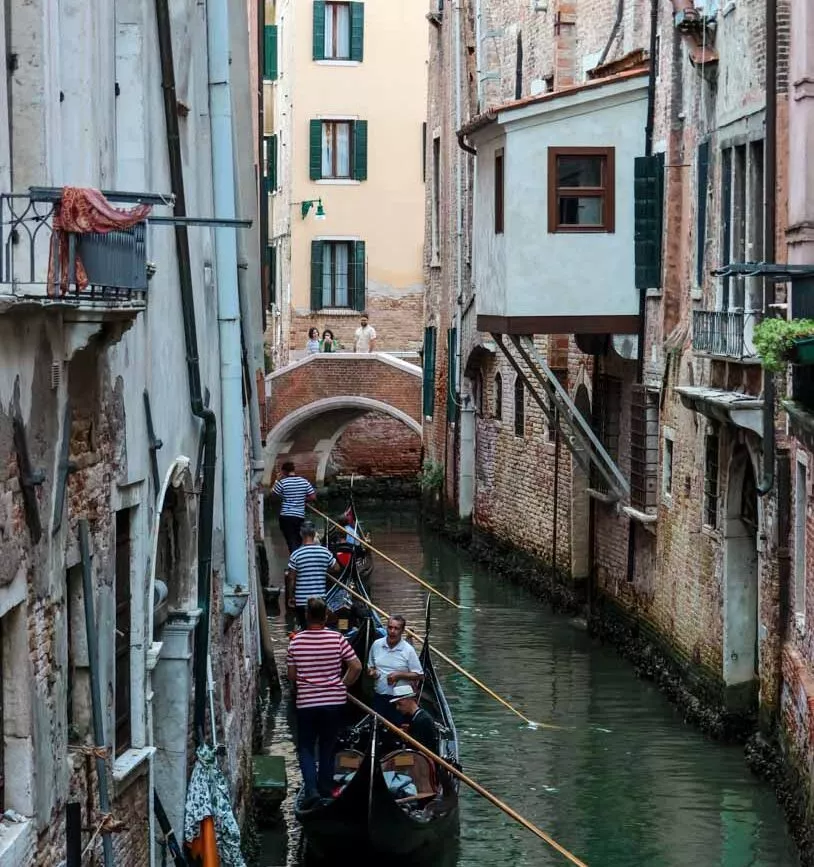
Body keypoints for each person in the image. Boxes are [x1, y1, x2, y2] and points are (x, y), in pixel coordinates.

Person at [287, 597, 362, 803]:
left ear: (307, 615)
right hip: (333, 701)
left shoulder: (296, 641)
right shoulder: (338, 639)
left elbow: (292, 676)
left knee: (306, 747)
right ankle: (326, 787)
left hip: (307, 703)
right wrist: (341, 684)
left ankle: (311, 791)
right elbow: (356, 666)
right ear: (326, 616)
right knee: (328, 745)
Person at [367, 616, 423, 724]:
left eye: (396, 628)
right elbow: (371, 666)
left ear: (402, 631)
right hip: (380, 696)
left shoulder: (408, 650)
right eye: (390, 627)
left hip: (401, 701)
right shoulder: (376, 645)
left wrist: (399, 675)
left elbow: (419, 675)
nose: (392, 631)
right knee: (376, 727)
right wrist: (372, 672)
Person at [286, 521, 342, 628]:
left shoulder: (296, 554)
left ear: (301, 534)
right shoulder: (325, 552)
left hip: (302, 601)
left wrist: (291, 597)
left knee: (304, 628)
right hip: (319, 600)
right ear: (314, 534)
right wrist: (322, 569)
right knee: (320, 627)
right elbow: (337, 568)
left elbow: (291, 578)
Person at [271, 462, 316, 554]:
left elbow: (273, 496)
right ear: (293, 470)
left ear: (284, 471)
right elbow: (313, 497)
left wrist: (278, 482)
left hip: (286, 516)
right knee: (299, 539)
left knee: (290, 540)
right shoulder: (304, 481)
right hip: (299, 516)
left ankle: (294, 562)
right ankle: (299, 559)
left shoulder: (282, 482)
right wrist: (302, 499)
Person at [390, 684, 439, 756]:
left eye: (399, 704)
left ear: (410, 700)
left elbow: (420, 747)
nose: (397, 708)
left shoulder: (423, 720)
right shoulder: (414, 717)